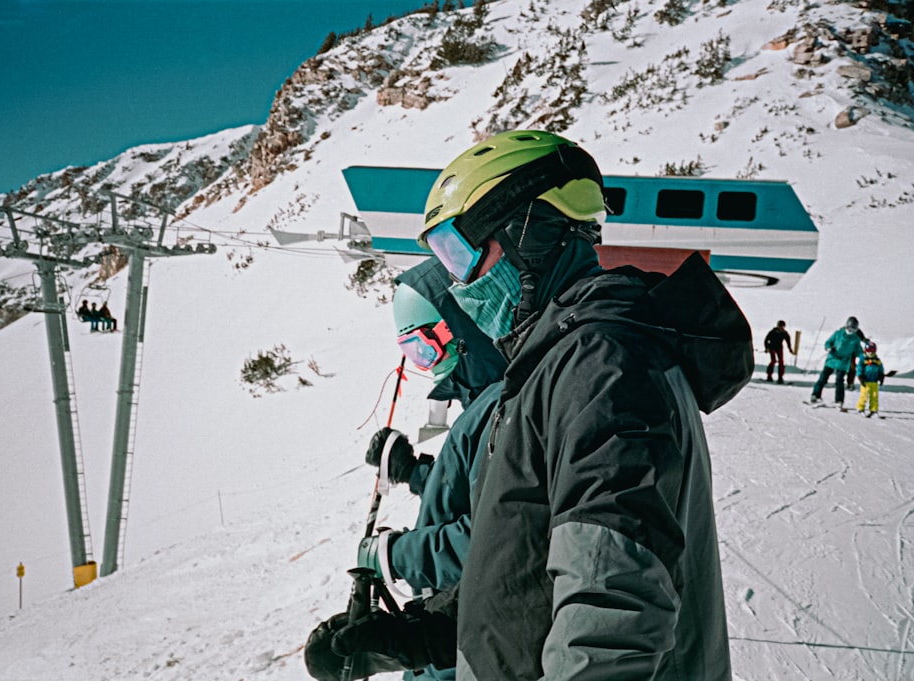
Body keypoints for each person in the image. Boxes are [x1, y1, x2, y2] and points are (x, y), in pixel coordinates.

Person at [320, 130, 752, 680]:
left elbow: (610, 609)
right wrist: (425, 636)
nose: (459, 286)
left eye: (458, 251)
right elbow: (526, 566)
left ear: (528, 231)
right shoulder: (557, 368)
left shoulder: (602, 365)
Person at [305, 262, 504, 681]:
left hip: (478, 650)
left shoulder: (508, 408)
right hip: (459, 639)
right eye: (411, 353)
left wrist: (397, 557)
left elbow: (500, 534)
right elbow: (479, 488)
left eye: (424, 346)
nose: (427, 364)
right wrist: (415, 474)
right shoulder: (485, 402)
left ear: (463, 329)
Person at [810, 316, 865, 409]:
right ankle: (815, 395)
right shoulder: (838, 334)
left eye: (853, 329)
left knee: (839, 381)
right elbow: (828, 342)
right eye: (849, 328)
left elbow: (859, 350)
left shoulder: (855, 339)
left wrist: (863, 357)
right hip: (832, 359)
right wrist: (828, 348)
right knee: (823, 377)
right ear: (846, 326)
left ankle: (839, 400)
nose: (850, 331)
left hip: (843, 362)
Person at [855, 340, 885, 416]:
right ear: (865, 351)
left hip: (874, 381)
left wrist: (881, 376)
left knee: (874, 396)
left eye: (872, 351)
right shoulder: (863, 359)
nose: (870, 353)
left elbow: (881, 369)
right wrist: (860, 377)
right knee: (864, 395)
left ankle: (874, 410)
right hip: (865, 381)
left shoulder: (877, 360)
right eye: (868, 351)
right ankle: (860, 408)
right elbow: (859, 368)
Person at [844, 321, 868, 388]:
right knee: (841, 368)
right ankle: (839, 382)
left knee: (852, 368)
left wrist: (866, 341)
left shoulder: (858, 331)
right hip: (843, 352)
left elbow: (862, 338)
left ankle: (850, 383)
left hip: (852, 352)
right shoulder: (842, 331)